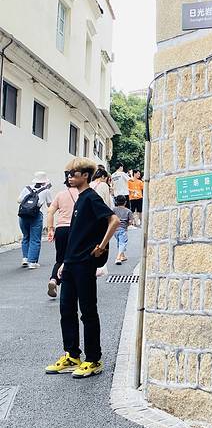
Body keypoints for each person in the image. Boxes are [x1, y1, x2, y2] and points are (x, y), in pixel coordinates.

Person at [45, 157, 119, 379]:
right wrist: (64, 263)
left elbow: (114, 221)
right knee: (66, 310)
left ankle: (93, 359)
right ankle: (72, 355)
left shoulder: (90, 198)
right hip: (71, 263)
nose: (69, 178)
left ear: (85, 176)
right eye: (68, 174)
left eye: (73, 174)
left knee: (87, 312)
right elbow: (77, 235)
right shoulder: (79, 199)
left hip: (85, 264)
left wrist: (102, 246)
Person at [46, 165, 79, 298]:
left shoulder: (60, 195)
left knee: (60, 258)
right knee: (75, 258)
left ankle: (54, 279)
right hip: (76, 229)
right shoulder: (82, 194)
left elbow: (50, 212)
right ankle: (72, 285)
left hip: (61, 229)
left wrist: (50, 229)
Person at [17, 172, 53, 268]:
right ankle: (32, 262)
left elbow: (19, 200)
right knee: (35, 239)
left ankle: (25, 258)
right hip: (36, 215)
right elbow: (50, 204)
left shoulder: (27, 188)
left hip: (23, 215)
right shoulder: (46, 190)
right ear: (45, 181)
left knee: (26, 236)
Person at [113, 195, 133, 265]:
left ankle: (122, 256)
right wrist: (127, 224)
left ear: (116, 202)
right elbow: (130, 221)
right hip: (122, 229)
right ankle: (118, 258)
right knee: (122, 243)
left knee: (119, 242)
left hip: (114, 230)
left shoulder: (114, 210)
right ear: (125, 202)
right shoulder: (128, 211)